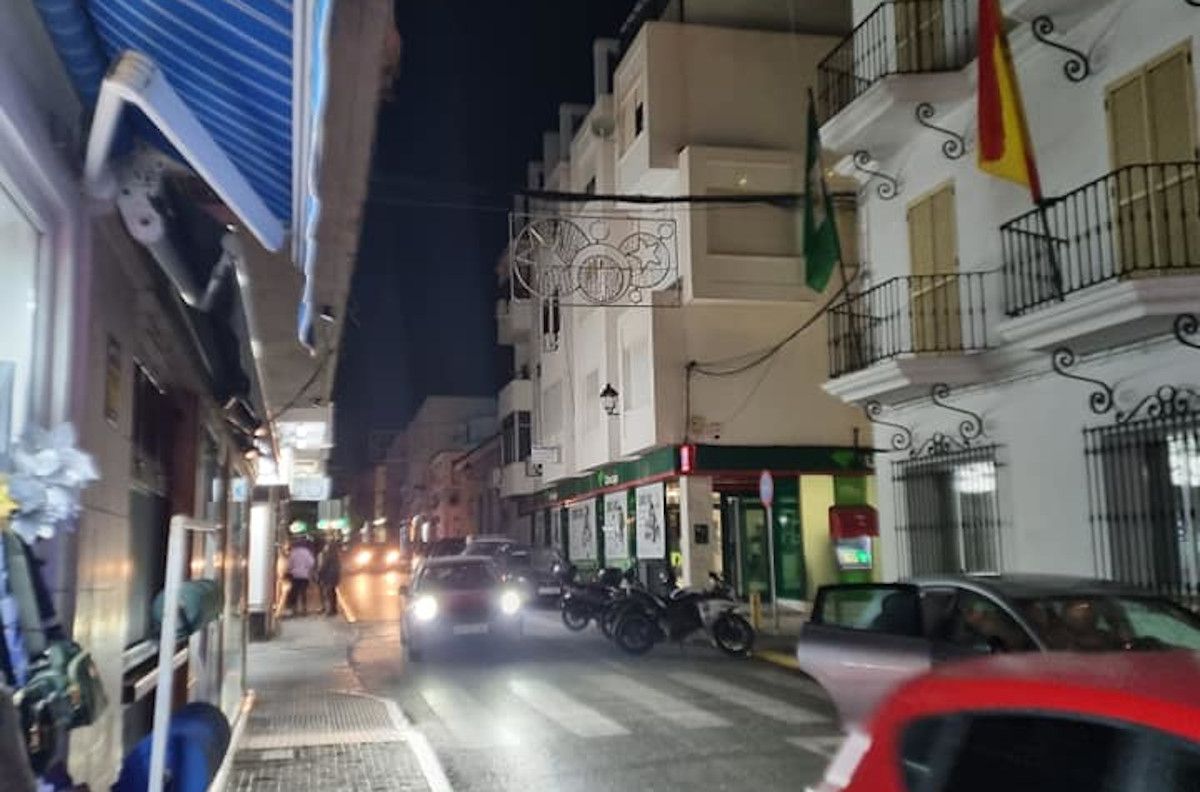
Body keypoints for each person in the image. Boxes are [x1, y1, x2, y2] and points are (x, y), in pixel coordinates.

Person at [286, 541, 316, 616]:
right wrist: (307, 569)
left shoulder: (293, 552)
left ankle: (294, 609)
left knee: (295, 593)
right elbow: (311, 563)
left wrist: (291, 569)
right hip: (304, 575)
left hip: (295, 575)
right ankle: (304, 609)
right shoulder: (307, 552)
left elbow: (290, 564)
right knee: (303, 593)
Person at [317, 543, 342, 616]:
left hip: (329, 576)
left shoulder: (328, 556)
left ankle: (331, 610)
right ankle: (334, 609)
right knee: (333, 593)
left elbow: (324, 566)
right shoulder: (336, 556)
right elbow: (339, 567)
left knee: (329, 593)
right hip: (335, 576)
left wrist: (320, 574)